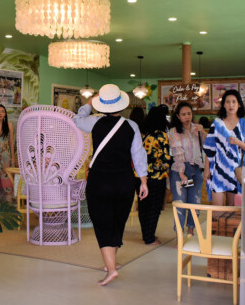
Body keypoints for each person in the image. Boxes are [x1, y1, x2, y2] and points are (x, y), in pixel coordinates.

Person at [73, 84, 148, 286]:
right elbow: (139, 156)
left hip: (99, 181)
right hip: (124, 181)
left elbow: (77, 119)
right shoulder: (132, 126)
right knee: (117, 222)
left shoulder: (94, 122)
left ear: (101, 105)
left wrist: (88, 104)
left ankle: (112, 270)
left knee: (103, 224)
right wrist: (143, 181)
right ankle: (110, 263)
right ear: (121, 105)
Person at [203, 90, 245, 206]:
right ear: (224, 105)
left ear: (239, 104)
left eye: (234, 102)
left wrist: (239, 143)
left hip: (236, 173)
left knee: (232, 211)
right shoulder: (217, 123)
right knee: (217, 212)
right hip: (218, 171)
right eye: (227, 102)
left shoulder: (244, 124)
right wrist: (206, 169)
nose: (231, 105)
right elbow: (210, 148)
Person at [168, 102, 206, 235]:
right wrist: (181, 172)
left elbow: (208, 146)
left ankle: (191, 231)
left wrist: (203, 132)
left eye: (189, 113)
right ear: (178, 116)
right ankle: (179, 235)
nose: (187, 117)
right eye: (183, 114)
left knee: (195, 203)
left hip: (197, 170)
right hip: (180, 170)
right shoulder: (174, 131)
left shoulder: (197, 128)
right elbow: (177, 152)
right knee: (180, 204)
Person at [136, 106, 171, 245]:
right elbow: (165, 157)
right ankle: (149, 238)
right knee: (154, 208)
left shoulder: (143, 133)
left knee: (143, 207)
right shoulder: (161, 135)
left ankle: (146, 235)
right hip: (156, 177)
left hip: (140, 176)